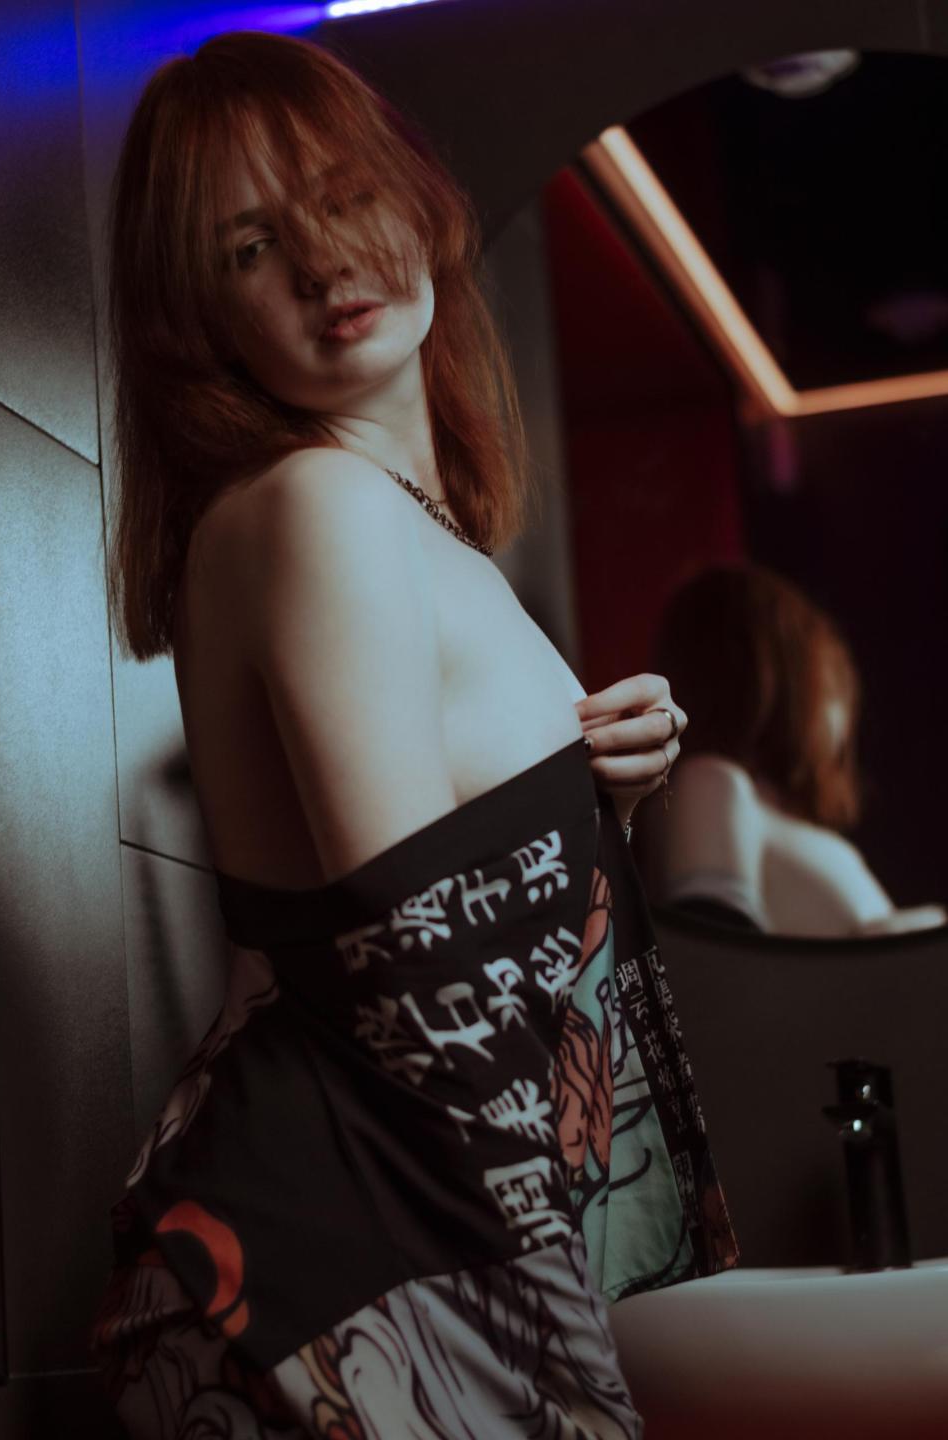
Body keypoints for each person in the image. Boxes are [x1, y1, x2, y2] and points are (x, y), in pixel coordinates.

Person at [87, 30, 738, 1437]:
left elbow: (436, 942)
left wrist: (602, 813)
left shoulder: (415, 535)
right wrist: (574, 1373)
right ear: (197, 315)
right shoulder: (315, 506)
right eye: (253, 245)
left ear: (419, 198)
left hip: (364, 1253)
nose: (326, 263)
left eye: (341, 196)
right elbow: (419, 976)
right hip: (337, 1275)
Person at [648, 563, 947, 937]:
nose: (845, 709)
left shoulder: (749, 807)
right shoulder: (711, 782)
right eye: (831, 674)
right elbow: (713, 958)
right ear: (773, 677)